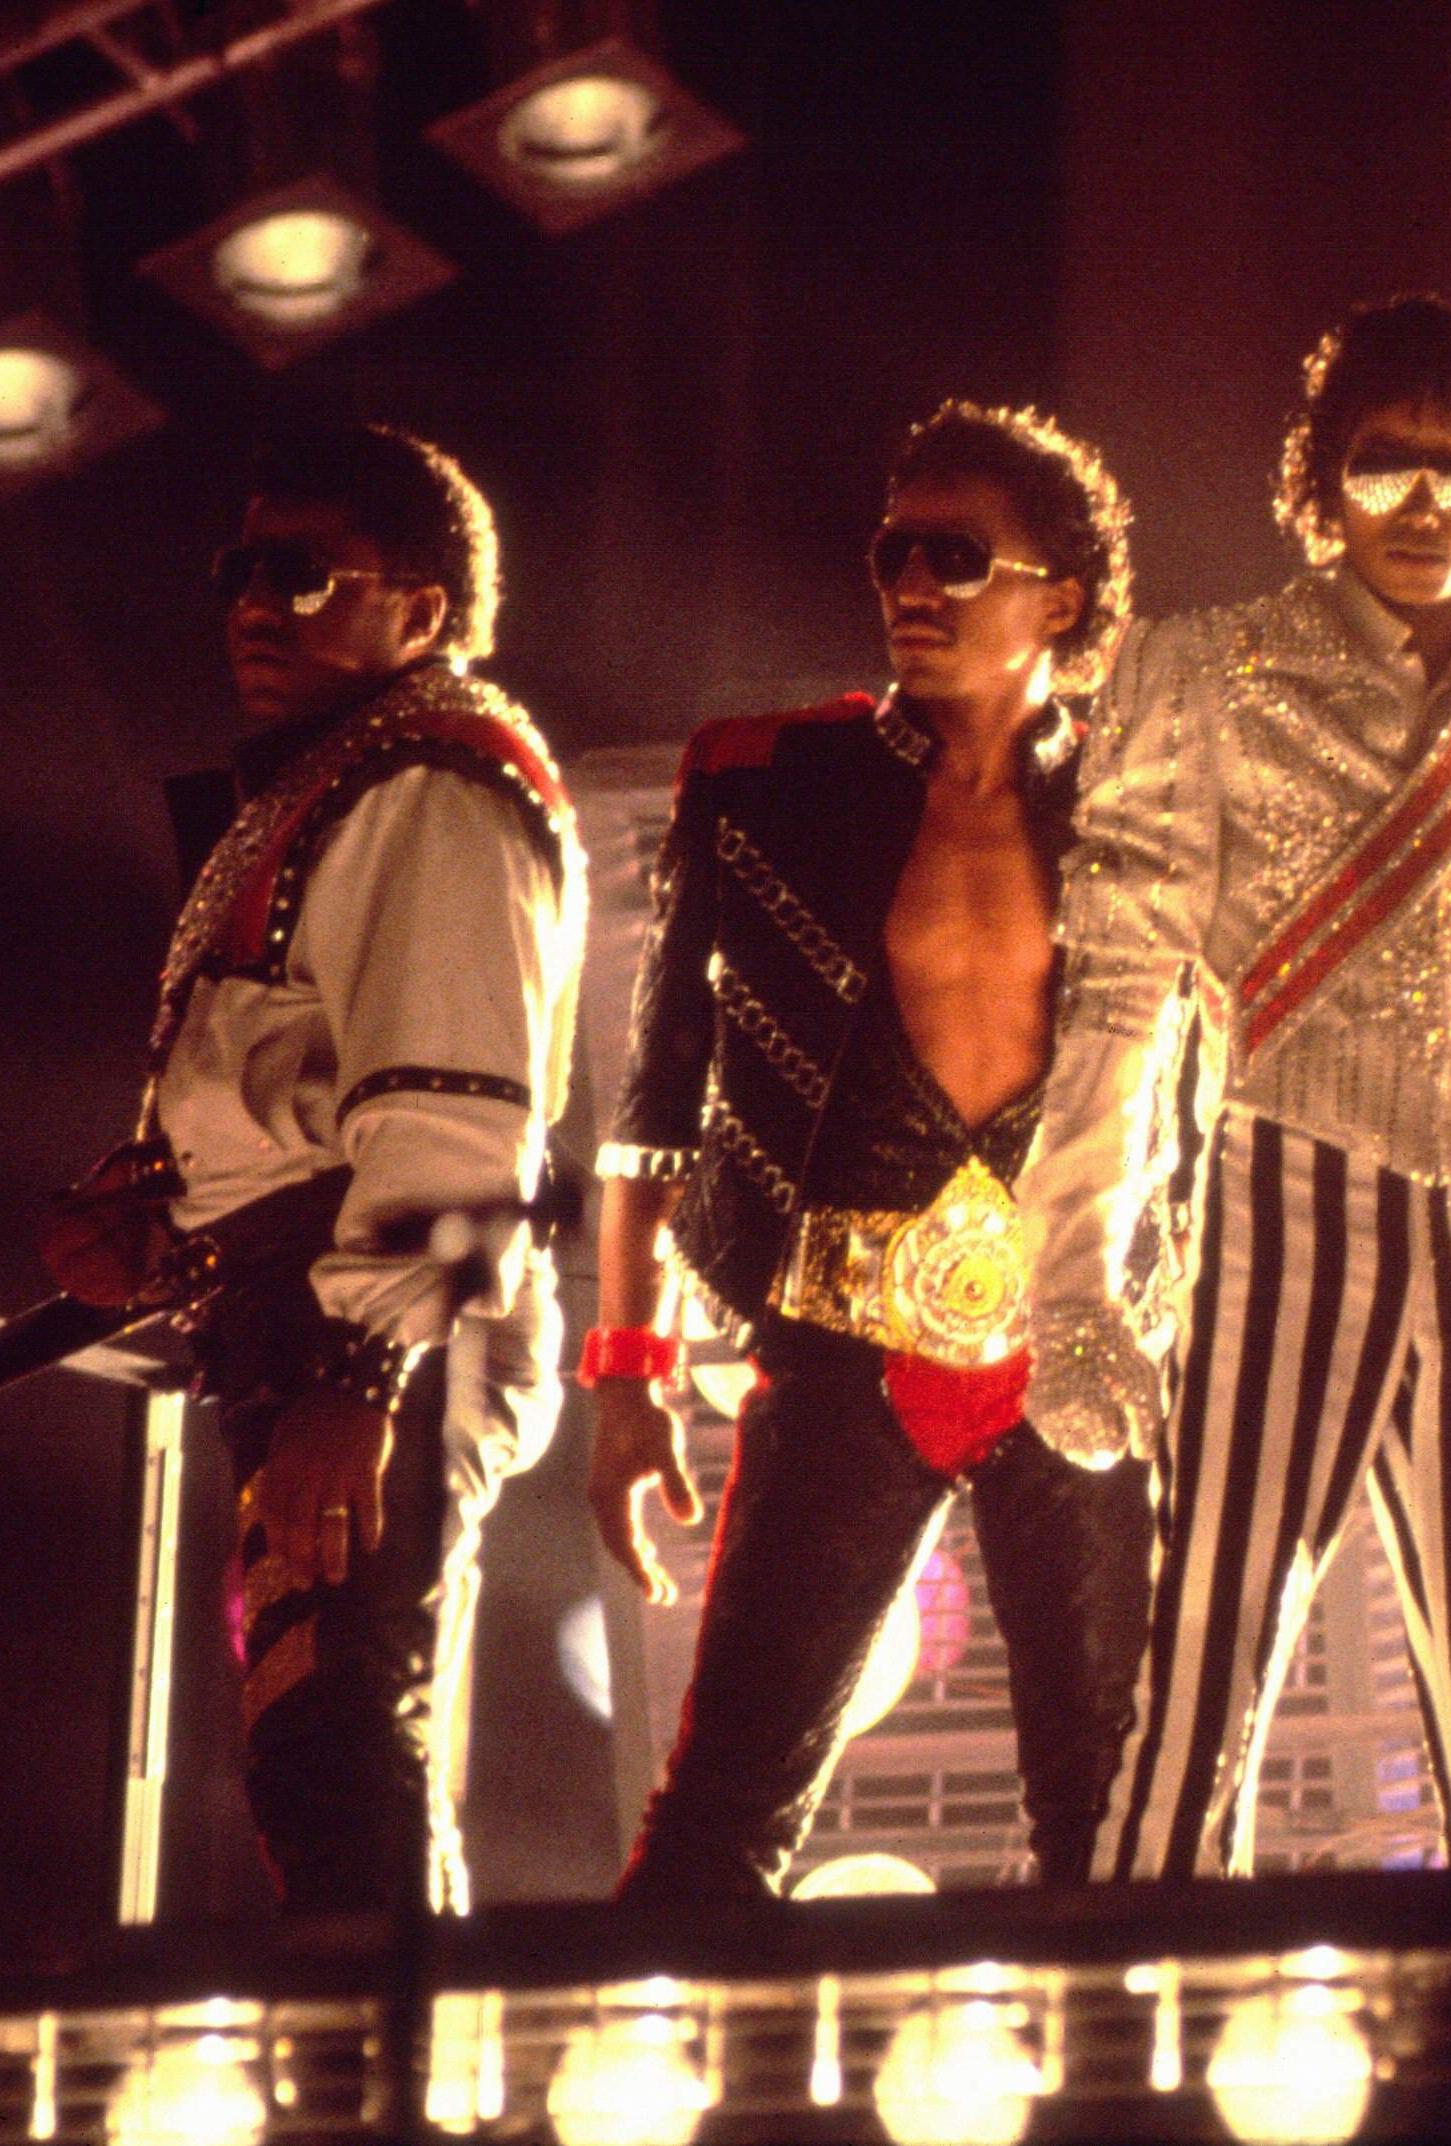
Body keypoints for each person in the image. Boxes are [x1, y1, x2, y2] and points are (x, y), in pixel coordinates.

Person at [1023, 294, 1451, 1879]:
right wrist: (1075, 1277)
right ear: (1321, 474)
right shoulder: (1200, 669)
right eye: (1385, 465)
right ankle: (1131, 2074)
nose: (1425, 506)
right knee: (1195, 1701)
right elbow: (1116, 992)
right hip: (1275, 1198)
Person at [593, 403, 1153, 1898]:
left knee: (1115, 1828)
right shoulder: (763, 776)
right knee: (718, 1819)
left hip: (1079, 1352)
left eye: (956, 556)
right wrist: (626, 1375)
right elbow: (652, 1102)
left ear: (1061, 597)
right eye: (893, 549)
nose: (912, 582)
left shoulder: (1155, 805)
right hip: (838, 1345)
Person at [64, 422, 584, 1911]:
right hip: (314, 1319)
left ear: (419, 611)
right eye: (240, 570)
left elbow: (462, 1105)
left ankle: (403, 2101)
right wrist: (162, 1208)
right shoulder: (351, 782)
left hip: (364, 1336)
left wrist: (361, 1378)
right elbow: (312, 1079)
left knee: (341, 1749)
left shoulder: (437, 782)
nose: (248, 606)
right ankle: (387, 2086)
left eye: (298, 575)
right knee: (323, 1753)